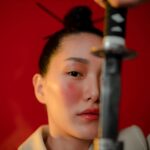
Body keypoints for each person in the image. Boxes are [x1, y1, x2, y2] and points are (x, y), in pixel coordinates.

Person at [18, 4, 149, 150]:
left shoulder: (139, 144)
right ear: (40, 88)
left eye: (106, 76)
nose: (95, 93)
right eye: (75, 73)